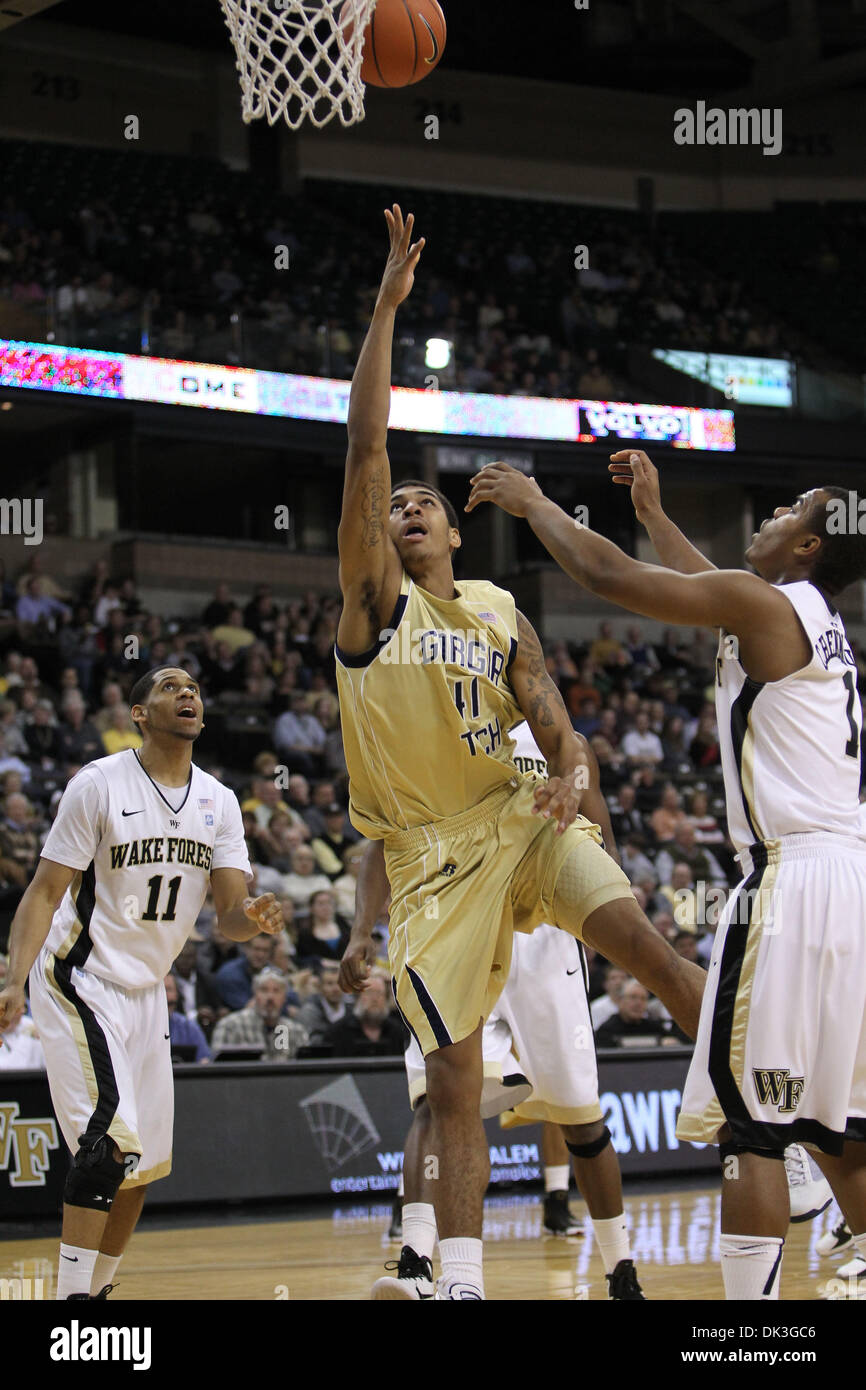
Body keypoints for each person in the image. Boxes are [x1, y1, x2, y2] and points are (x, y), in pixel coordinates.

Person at [335, 209, 703, 1301]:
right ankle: (455, 1277)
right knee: (452, 1079)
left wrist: (574, 775)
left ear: (452, 534)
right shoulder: (370, 605)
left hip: (519, 818)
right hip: (430, 860)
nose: (403, 509)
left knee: (647, 945)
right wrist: (384, 312)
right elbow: (364, 444)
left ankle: (764, 1108)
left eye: (423, 507)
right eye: (393, 506)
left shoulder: (497, 609)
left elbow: (551, 718)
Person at [466, 447, 866, 1302]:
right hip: (854, 885)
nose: (773, 512)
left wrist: (536, 504)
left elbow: (611, 577)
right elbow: (715, 589)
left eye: (793, 506)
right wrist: (654, 517)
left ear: (808, 547)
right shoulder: (807, 615)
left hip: (793, 878)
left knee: (751, 1132)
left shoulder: (766, 603)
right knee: (847, 1126)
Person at [0, 667, 283, 1300]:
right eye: (169, 687)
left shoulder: (220, 801)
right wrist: (12, 981)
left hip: (147, 993)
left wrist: (252, 919)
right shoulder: (97, 785)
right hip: (80, 978)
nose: (187, 694)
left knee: (140, 1167)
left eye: (195, 689)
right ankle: (71, 1305)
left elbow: (230, 919)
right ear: (138, 713)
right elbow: (44, 890)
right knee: (105, 1150)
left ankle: (96, 1293)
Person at [354, 719, 646, 1300]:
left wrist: (612, 924)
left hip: (546, 935)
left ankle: (621, 1270)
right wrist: (361, 929)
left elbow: (602, 833)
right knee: (436, 1101)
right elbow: (382, 837)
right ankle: (418, 1266)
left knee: (580, 1119)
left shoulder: (565, 742)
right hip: (457, 925)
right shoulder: (434, 727)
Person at [211, 966, 307, 1060]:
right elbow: (217, 1069)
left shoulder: (296, 1031)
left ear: (284, 998)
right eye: (264, 990)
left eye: (276, 991)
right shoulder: (231, 1026)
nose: (270, 997)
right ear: (255, 995)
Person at [324, 973, 405, 1057]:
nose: (374, 999)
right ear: (358, 997)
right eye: (369, 992)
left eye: (379, 993)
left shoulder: (398, 1032)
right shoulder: (337, 1032)